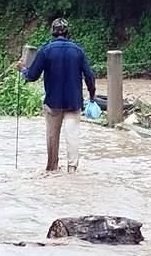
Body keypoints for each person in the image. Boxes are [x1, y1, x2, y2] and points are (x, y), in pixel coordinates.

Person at [19, 18, 96, 173]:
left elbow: (32, 76)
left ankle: (52, 167)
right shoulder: (78, 50)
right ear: (68, 33)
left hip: (53, 102)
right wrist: (92, 96)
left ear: (52, 33)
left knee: (52, 136)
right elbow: (89, 76)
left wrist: (23, 69)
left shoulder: (45, 50)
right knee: (72, 135)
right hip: (74, 101)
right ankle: (72, 169)